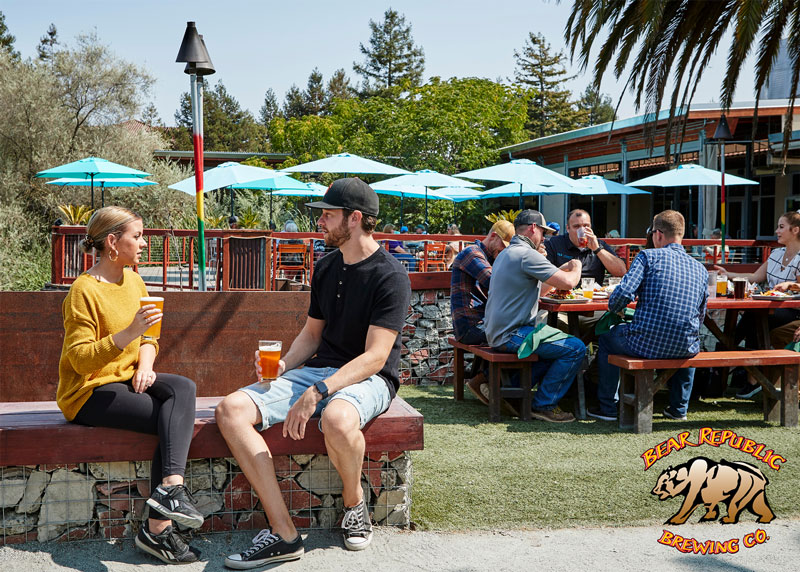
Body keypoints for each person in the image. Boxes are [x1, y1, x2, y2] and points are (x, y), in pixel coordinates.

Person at [215, 178, 411, 568]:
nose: (319, 222)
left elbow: (375, 356)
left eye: (327, 215)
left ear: (355, 219)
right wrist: (285, 365)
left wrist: (320, 390)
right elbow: (311, 334)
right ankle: (284, 532)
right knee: (230, 410)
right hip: (320, 371)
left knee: (337, 419)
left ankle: (354, 505)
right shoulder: (326, 266)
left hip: (370, 378)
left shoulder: (390, 275)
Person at [57, 206, 202, 564]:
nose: (143, 243)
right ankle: (158, 530)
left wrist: (146, 366)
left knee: (183, 388)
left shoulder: (134, 281)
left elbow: (150, 335)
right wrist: (128, 333)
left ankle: (170, 490)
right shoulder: (83, 290)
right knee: (169, 421)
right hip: (89, 391)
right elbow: (80, 360)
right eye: (136, 236)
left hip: (126, 379)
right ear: (112, 242)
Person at [591, 210, 708, 422]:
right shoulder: (700, 268)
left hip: (645, 343)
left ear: (658, 234)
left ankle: (607, 407)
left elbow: (624, 293)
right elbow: (700, 315)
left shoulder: (647, 256)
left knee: (607, 339)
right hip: (686, 346)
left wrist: (614, 307)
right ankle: (678, 408)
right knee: (685, 339)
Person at [484, 210, 586, 423]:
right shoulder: (526, 254)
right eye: (543, 232)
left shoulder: (507, 253)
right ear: (533, 228)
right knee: (576, 348)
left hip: (497, 331)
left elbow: (541, 290)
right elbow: (569, 283)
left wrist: (562, 268)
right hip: (512, 334)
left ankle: (510, 391)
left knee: (555, 347)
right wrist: (577, 266)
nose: (545, 238)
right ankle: (544, 405)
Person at [715, 211, 800, 398]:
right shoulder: (776, 253)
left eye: (781, 227)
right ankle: (743, 370)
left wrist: (789, 285)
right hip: (768, 308)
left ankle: (727, 353)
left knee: (753, 319)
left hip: (792, 311)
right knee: (754, 316)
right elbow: (755, 277)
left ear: (795, 230)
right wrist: (727, 274)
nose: (777, 231)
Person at [449, 220, 515, 401]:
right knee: (519, 337)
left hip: (481, 322)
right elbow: (496, 283)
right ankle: (484, 381)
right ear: (493, 236)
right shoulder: (472, 253)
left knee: (521, 334)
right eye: (503, 246)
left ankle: (490, 382)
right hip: (470, 327)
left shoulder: (488, 257)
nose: (504, 251)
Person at [545, 209, 627, 285]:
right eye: (576, 226)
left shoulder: (599, 244)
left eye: (586, 226)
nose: (582, 230)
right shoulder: (553, 243)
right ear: (568, 228)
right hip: (562, 292)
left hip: (592, 293)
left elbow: (622, 271)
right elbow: (545, 275)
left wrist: (597, 250)